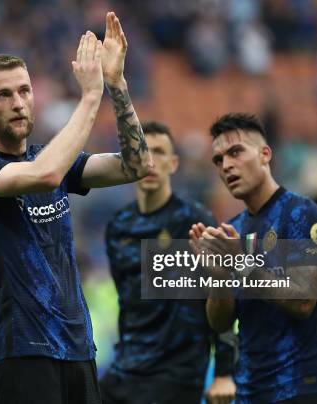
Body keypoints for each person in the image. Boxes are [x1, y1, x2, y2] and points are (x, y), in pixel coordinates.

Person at [0, 12, 152, 404]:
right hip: (22, 351)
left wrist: (116, 85)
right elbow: (42, 175)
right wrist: (90, 96)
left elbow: (137, 165)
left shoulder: (50, 158)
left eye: (24, 91)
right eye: (3, 95)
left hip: (79, 349)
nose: (18, 103)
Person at [190, 113, 317, 403]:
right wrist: (218, 278)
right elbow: (220, 323)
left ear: (264, 154)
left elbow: (303, 301)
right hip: (250, 390)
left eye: (235, 152)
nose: (227, 166)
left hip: (303, 386)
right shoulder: (235, 229)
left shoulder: (302, 213)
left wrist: (240, 264)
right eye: (218, 160)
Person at [100, 120, 236, 404]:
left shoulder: (194, 222)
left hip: (177, 372)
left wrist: (224, 373)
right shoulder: (118, 227)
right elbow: (128, 302)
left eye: (160, 152)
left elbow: (221, 296)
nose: (150, 160)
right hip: (127, 368)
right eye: (143, 151)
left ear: (173, 164)